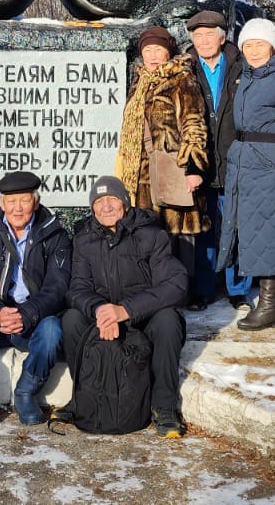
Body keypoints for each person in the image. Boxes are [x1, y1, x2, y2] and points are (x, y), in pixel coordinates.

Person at [63, 176, 189, 438]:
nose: (106, 207)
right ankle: (81, 398)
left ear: (125, 203)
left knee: (168, 320)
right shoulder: (84, 240)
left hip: (141, 315)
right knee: (72, 319)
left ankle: (164, 406)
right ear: (92, 208)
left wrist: (126, 310)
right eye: (99, 201)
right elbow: (77, 288)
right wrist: (100, 309)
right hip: (104, 315)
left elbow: (175, 283)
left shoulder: (151, 235)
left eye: (113, 199)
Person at [0, 171, 72, 430]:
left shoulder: (55, 235)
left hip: (32, 318)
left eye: (25, 200)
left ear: (36, 202)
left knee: (53, 329)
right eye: (12, 201)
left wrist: (27, 314)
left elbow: (58, 286)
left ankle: (26, 393)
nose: (18, 208)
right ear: (2, 203)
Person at [218, 19, 275, 331]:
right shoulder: (249, 78)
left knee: (269, 235)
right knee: (266, 232)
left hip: (274, 167)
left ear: (273, 46)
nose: (254, 51)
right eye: (248, 45)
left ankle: (268, 305)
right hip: (250, 165)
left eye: (260, 44)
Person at [115, 26, 208, 292]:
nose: (153, 56)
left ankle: (184, 291)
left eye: (159, 49)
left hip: (173, 167)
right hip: (143, 172)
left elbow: (193, 124)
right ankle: (156, 291)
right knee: (151, 235)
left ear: (169, 52)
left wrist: (193, 167)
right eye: (148, 50)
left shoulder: (181, 79)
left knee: (180, 236)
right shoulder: (139, 82)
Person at [184, 10, 251, 310]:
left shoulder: (241, 65)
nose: (204, 41)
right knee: (204, 229)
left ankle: (238, 288)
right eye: (198, 36)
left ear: (223, 37)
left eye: (210, 34)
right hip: (200, 164)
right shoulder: (185, 70)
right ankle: (204, 288)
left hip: (237, 160)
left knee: (237, 226)